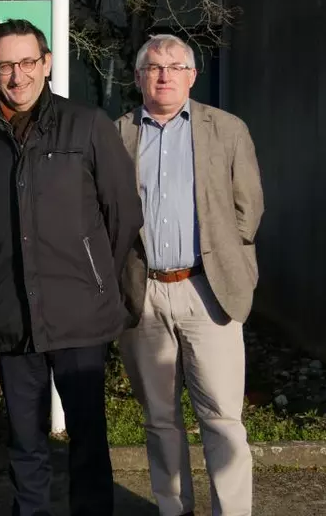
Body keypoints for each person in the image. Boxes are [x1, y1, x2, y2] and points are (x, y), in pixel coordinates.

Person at [0, 19, 143, 516]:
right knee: (25, 439)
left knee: (86, 437)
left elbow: (122, 214)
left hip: (79, 311)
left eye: (26, 62)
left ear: (46, 63)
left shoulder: (86, 125)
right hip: (14, 314)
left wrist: (93, 272)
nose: (16, 76)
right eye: (5, 65)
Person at [117, 34, 264, 516]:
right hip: (143, 291)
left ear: (192, 75)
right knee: (159, 418)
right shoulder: (118, 133)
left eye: (175, 67)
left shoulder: (226, 129)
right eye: (154, 67)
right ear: (138, 77)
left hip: (208, 290)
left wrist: (226, 256)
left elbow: (248, 210)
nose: (164, 75)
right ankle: (173, 508)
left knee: (221, 417)